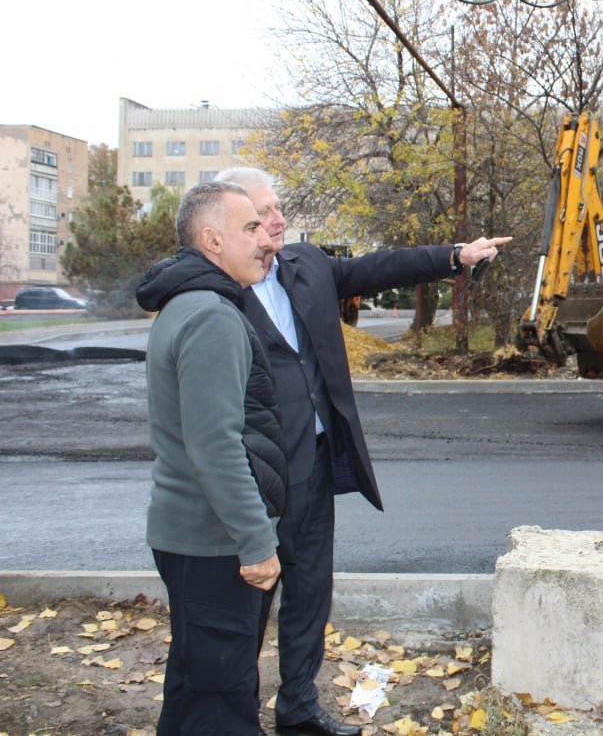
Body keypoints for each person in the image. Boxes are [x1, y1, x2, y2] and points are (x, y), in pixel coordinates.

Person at [215, 166, 511, 736]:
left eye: (277, 208)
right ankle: (232, 718)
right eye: (260, 213)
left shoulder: (306, 264)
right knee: (245, 606)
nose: (275, 220)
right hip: (255, 478)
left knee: (309, 593)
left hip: (316, 464)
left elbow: (377, 268)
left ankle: (298, 708)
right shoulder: (215, 288)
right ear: (231, 225)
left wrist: (457, 256)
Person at [135, 181, 290, 735]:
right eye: (249, 228)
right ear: (211, 240)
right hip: (216, 543)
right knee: (222, 702)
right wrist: (256, 544)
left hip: (193, 538)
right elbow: (215, 444)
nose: (265, 239)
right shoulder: (212, 316)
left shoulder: (192, 304)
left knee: (194, 684)